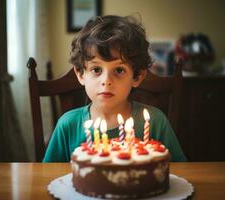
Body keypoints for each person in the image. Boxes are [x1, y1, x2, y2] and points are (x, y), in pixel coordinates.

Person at [43, 15, 186, 162]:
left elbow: (180, 171)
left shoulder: (155, 122)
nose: (106, 81)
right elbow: (47, 176)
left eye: (119, 70)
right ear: (80, 74)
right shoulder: (68, 125)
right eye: (96, 69)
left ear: (137, 77)